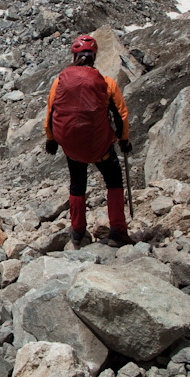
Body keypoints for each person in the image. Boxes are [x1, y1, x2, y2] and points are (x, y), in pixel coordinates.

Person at [43, 34, 131, 247]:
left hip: (72, 146)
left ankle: (78, 232)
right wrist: (124, 140)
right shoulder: (106, 82)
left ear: (75, 56)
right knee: (114, 181)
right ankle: (118, 230)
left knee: (77, 183)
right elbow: (121, 116)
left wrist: (51, 138)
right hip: (100, 146)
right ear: (94, 57)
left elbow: (51, 110)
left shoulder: (60, 81)